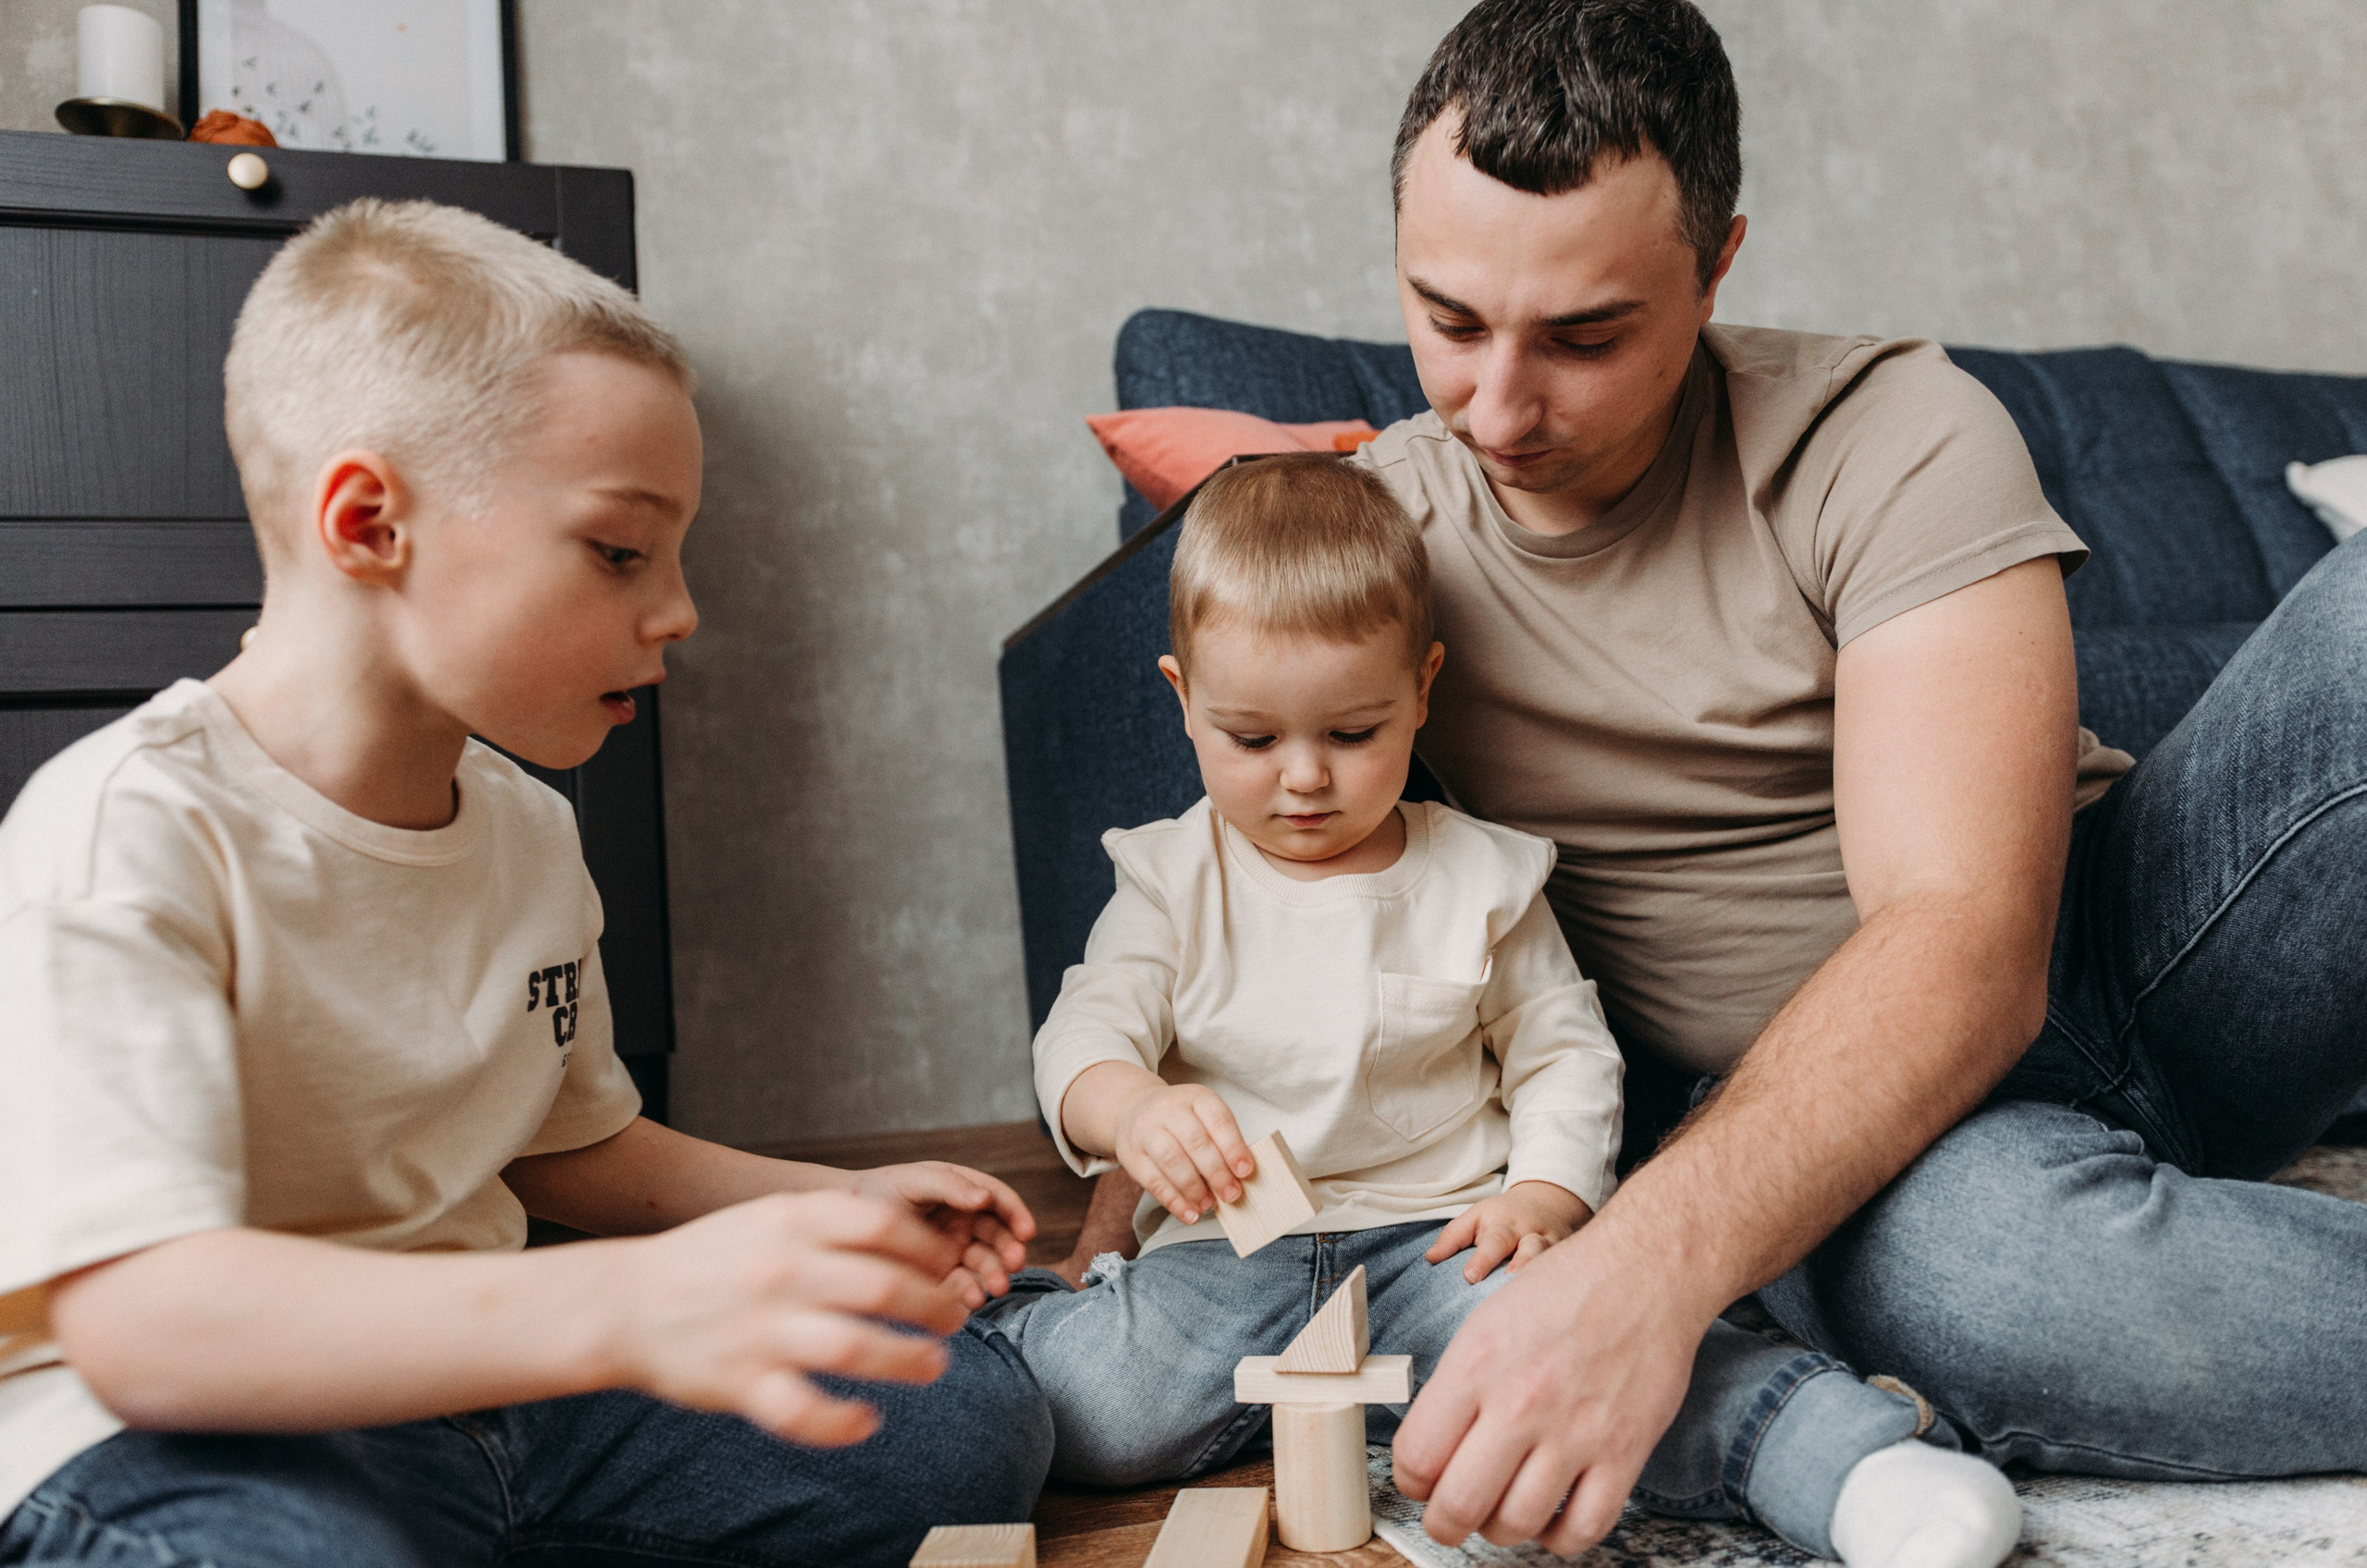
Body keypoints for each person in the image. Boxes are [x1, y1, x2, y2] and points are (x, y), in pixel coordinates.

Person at [1068, 0, 2367, 1556]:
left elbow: (1965, 939)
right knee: (1989, 1285)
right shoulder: (1382, 546)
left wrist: (1639, 1274)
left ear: (1717, 263)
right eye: (1449, 319)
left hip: (2138, 953)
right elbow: (1262, 845)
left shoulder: (1889, 434)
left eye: (1586, 335)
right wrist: (1156, 1126)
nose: (1496, 407)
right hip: (1859, 1145)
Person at [0, 199, 1052, 1568]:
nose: (677, 611)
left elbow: (572, 1149)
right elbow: (150, 1328)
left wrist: (821, 1207)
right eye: (622, 550)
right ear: (370, 522)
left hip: (479, 1394)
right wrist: (629, 1308)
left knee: (958, 1421)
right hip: (169, 1443)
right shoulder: (126, 831)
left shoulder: (527, 830)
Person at [985, 455, 2023, 1568]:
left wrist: (1545, 1192)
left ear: (1422, 690)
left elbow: (1561, 1054)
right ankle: (1037, 1322)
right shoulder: (1167, 879)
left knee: (1592, 1369)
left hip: (1444, 1243)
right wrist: (1131, 1109)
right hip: (1226, 1254)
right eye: (1252, 739)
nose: (1303, 779)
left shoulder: (1479, 876)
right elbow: (1081, 1039)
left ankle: (1859, 1464)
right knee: (1091, 1407)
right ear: (1183, 698)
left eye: (1351, 734)